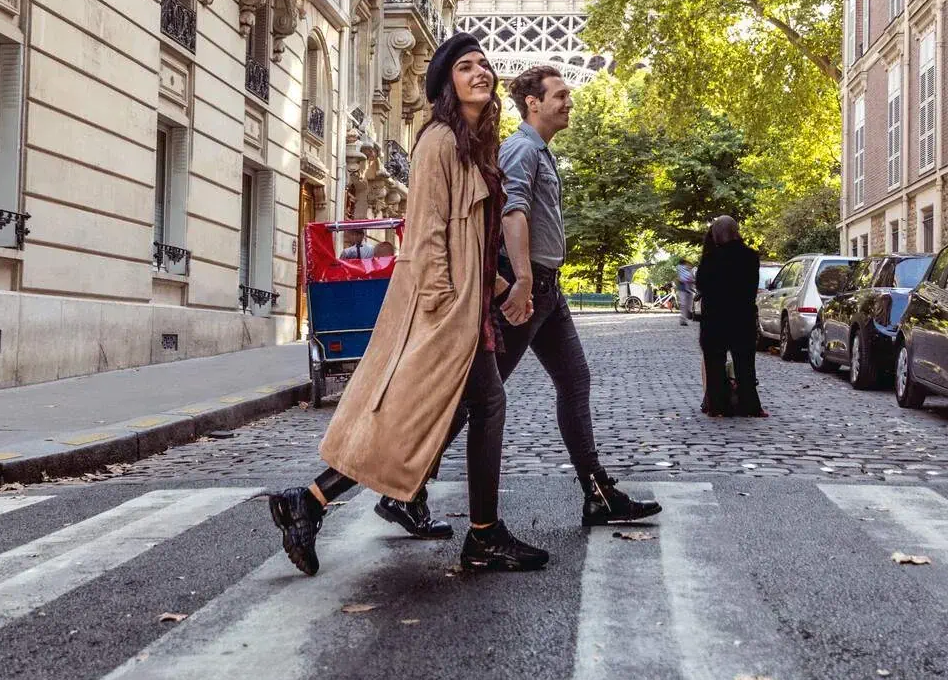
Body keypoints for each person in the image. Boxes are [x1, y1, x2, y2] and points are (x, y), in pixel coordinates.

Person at [269, 34, 548, 576]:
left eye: (485, 65)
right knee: (461, 410)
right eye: (466, 66)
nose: (480, 72)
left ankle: (311, 501)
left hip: (466, 306)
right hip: (442, 310)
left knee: (426, 416)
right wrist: (449, 305)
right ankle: (482, 535)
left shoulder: (472, 144)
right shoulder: (439, 142)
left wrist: (498, 289)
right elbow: (425, 235)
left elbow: (468, 240)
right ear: (447, 82)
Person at [438, 64, 660, 528]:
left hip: (547, 287)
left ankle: (597, 492)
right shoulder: (522, 149)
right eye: (559, 95)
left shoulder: (539, 150)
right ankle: (409, 485)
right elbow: (512, 212)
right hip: (530, 287)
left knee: (575, 380)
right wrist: (520, 283)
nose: (568, 102)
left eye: (567, 94)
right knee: (480, 395)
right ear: (532, 103)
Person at [694, 215, 765, 417]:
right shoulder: (750, 257)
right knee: (745, 364)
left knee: (714, 363)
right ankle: (750, 405)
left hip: (715, 319)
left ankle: (716, 405)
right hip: (742, 318)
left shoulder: (711, 258)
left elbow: (701, 285)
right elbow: (751, 287)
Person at [674, 258, 696, 326]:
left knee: (687, 305)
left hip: (689, 289)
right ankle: (683, 320)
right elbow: (681, 278)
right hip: (683, 288)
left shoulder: (690, 270)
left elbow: (692, 278)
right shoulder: (681, 268)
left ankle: (686, 317)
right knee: (684, 305)